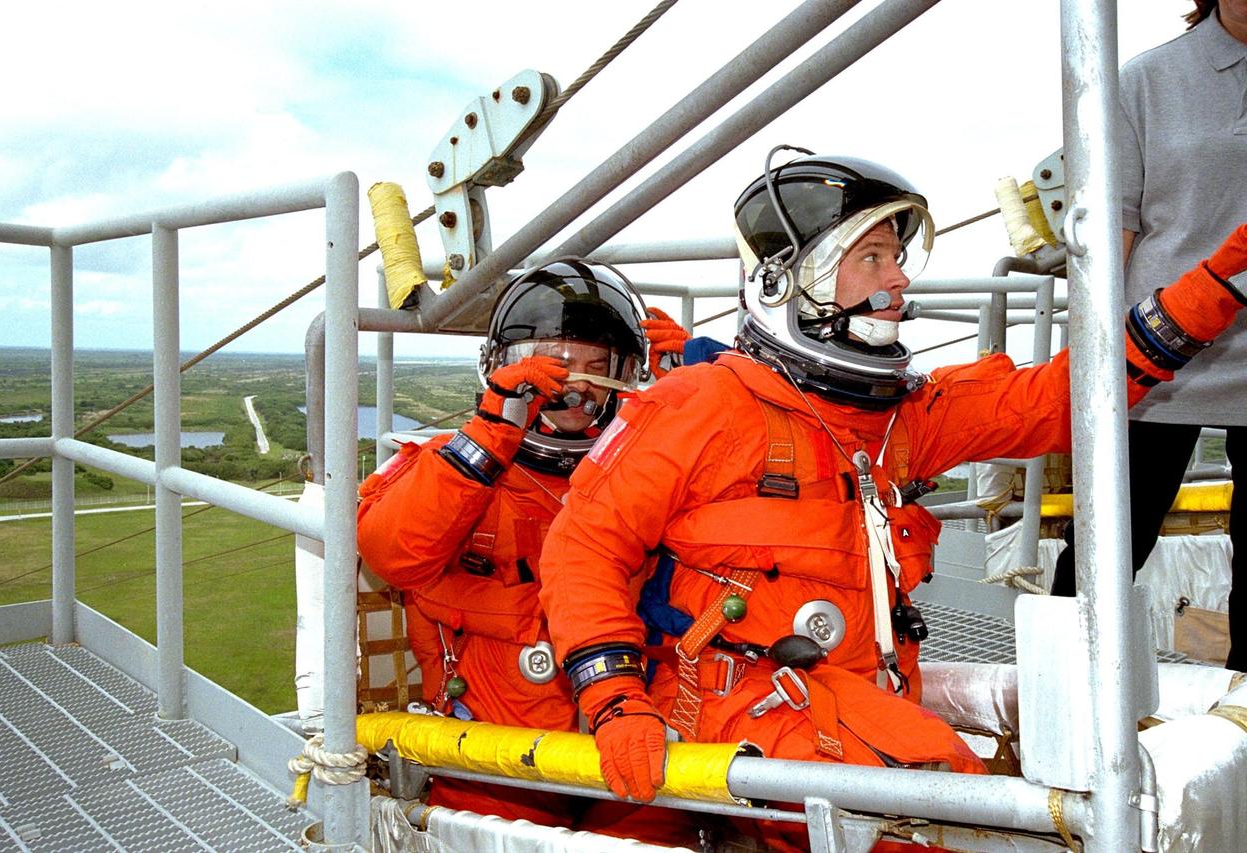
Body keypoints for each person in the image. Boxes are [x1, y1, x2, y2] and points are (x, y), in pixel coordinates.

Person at [536, 149, 1247, 849]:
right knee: (959, 808)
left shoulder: (899, 419)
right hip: (739, 709)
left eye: (898, 258)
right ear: (794, 279)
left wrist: (1218, 285)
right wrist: (613, 695)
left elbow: (1061, 395)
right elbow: (585, 544)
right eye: (873, 257)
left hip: (856, 705)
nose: (899, 279)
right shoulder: (701, 404)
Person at [355, 257, 654, 827]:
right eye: (556, 364)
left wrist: (693, 390)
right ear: (504, 368)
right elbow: (394, 554)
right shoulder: (456, 465)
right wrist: (492, 433)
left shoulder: (645, 472)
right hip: (491, 760)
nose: (580, 386)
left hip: (623, 736)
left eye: (598, 367)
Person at [1050, 1, 1247, 672]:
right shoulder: (1145, 80)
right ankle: (1057, 702)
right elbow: (1113, 230)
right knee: (1103, 548)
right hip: (1161, 353)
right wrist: (1096, 357)